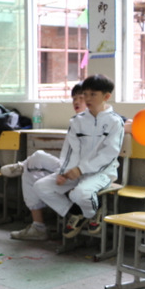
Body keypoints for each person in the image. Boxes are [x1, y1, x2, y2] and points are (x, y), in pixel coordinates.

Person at [32, 74, 125, 238]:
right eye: (85, 94)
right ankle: (77, 212)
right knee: (41, 186)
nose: (87, 98)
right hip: (76, 171)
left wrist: (81, 169)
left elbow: (109, 154)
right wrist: (64, 172)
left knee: (79, 194)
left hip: (102, 173)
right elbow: (70, 150)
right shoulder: (77, 121)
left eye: (93, 94)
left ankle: (92, 211)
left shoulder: (115, 122)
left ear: (106, 96)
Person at [2, 83, 86, 241]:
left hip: (81, 172)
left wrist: (64, 172)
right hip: (69, 166)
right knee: (35, 160)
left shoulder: (97, 122)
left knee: (33, 175)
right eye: (74, 98)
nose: (76, 101)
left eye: (81, 98)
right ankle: (38, 227)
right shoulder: (76, 121)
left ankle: (72, 214)